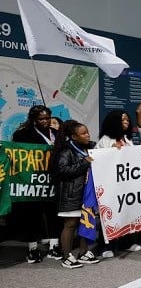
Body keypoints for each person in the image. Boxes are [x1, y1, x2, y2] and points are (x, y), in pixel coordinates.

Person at [11, 105, 60, 263]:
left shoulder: (57, 133)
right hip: (32, 181)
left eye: (47, 118)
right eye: (41, 119)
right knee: (32, 215)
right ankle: (32, 249)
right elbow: (18, 155)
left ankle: (54, 246)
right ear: (33, 119)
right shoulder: (22, 134)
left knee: (53, 213)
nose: (45, 121)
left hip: (52, 180)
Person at [49, 120, 100, 269]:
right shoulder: (66, 151)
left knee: (86, 222)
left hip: (87, 193)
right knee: (70, 224)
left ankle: (83, 253)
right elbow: (62, 171)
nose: (87, 135)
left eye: (87, 132)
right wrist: (84, 163)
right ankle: (67, 256)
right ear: (74, 137)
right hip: (71, 193)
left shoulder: (92, 146)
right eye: (83, 133)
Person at [95, 109, 140, 255]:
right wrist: (111, 151)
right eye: (122, 120)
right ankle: (107, 246)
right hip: (110, 187)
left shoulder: (128, 140)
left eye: (127, 119)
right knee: (110, 216)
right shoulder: (105, 140)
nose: (126, 122)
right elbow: (97, 162)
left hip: (126, 186)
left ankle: (127, 242)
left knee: (127, 214)